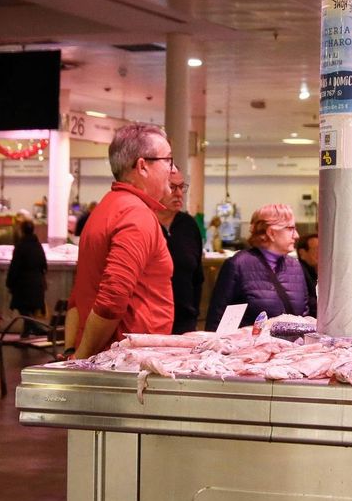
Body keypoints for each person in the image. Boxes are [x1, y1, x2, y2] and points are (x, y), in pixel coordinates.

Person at [67, 123, 176, 358]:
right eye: (168, 160)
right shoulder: (135, 214)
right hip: (126, 363)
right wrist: (81, 358)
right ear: (142, 166)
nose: (173, 169)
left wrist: (73, 351)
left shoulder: (108, 207)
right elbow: (111, 300)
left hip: (112, 359)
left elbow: (78, 294)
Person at [205, 203, 317, 329]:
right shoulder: (238, 265)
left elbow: (305, 316)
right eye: (290, 228)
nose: (296, 235)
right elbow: (217, 322)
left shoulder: (296, 267)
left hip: (294, 342)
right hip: (249, 341)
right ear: (271, 233)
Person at [158, 168, 204, 334]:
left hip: (185, 323)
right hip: (151, 322)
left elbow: (197, 278)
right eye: (172, 187)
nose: (179, 194)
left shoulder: (189, 225)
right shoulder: (144, 223)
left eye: (181, 187)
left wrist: (194, 316)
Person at [5, 212, 48, 332]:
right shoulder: (38, 246)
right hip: (37, 285)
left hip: (22, 286)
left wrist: (9, 283)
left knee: (21, 307)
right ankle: (26, 334)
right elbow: (44, 265)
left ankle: (36, 328)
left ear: (22, 230)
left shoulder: (20, 246)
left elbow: (14, 266)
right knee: (29, 310)